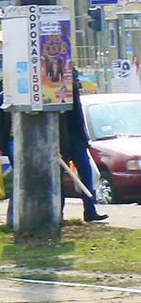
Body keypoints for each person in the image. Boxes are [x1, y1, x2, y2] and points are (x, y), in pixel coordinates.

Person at [60, 72, 108, 223]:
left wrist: (84, 139)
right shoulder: (57, 89)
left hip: (76, 138)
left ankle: (90, 210)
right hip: (62, 138)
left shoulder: (72, 89)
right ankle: (58, 213)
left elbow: (78, 117)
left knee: (86, 173)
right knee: (58, 177)